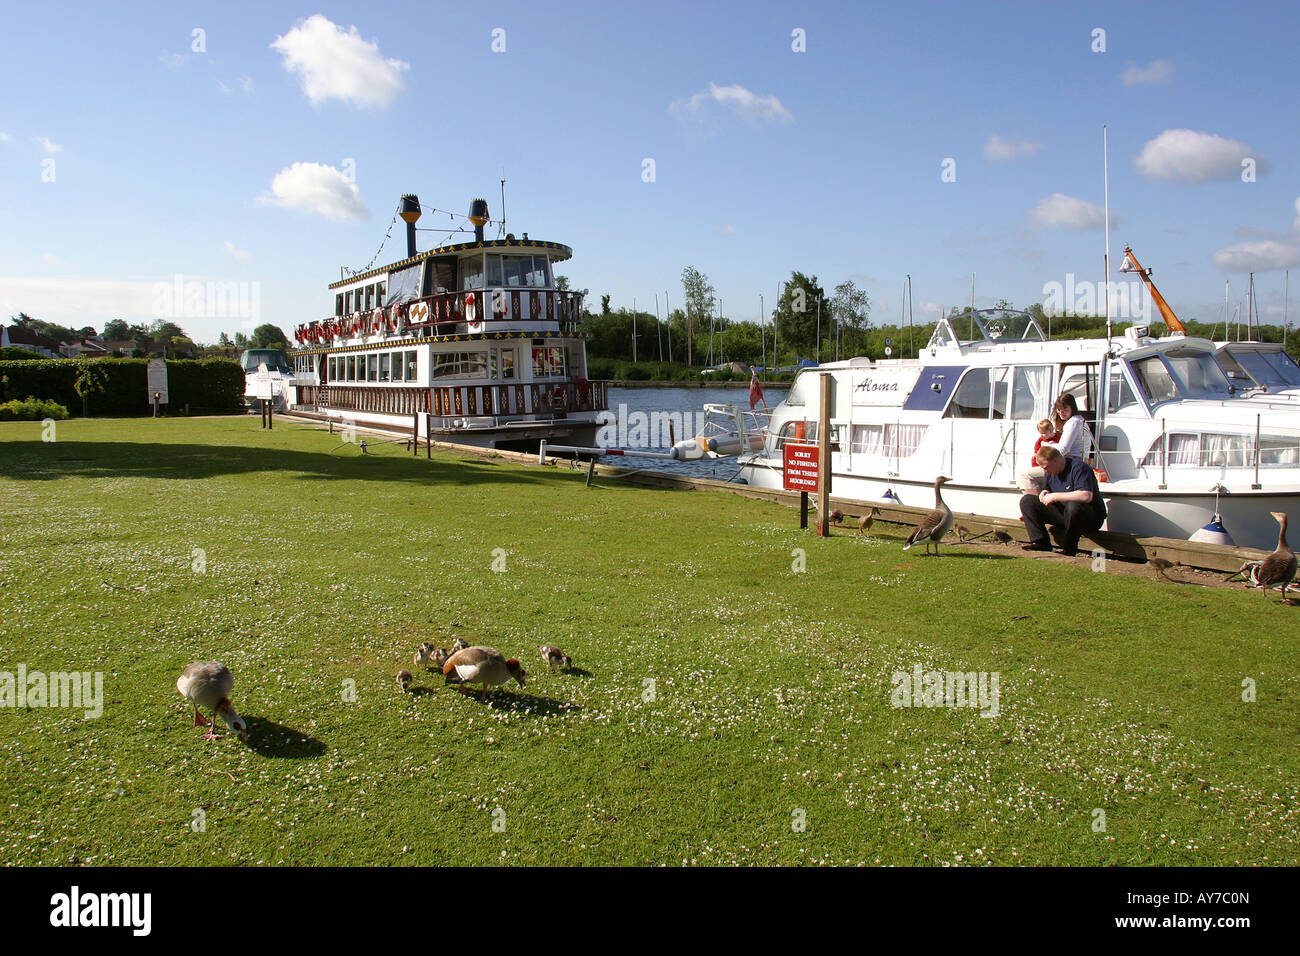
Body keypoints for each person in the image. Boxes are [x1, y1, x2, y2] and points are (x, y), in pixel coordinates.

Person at [1019, 444, 1106, 557]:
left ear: (1056, 460)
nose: (1045, 470)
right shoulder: (1050, 473)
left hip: (1089, 517)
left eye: (1046, 466)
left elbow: (1086, 495)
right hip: (1064, 514)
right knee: (1027, 501)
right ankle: (1040, 542)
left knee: (1073, 506)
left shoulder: (1079, 468)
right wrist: (1043, 494)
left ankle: (1069, 548)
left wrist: (1054, 496)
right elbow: (1048, 490)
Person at [1016, 418, 1063, 492]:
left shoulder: (1058, 438)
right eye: (1041, 433)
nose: (1043, 435)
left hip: (1051, 463)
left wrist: (1054, 445)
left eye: (1045, 433)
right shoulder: (1040, 440)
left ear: (1051, 431)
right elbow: (1037, 453)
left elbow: (1062, 449)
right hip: (1040, 463)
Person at [1045, 393, 1093, 461]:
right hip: (1078, 460)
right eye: (1059, 409)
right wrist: (1055, 445)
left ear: (1072, 408)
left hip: (1074, 462)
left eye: (1065, 409)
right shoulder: (1079, 420)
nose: (1061, 412)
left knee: (1028, 472)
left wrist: (1046, 445)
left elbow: (1063, 450)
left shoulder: (1074, 422)